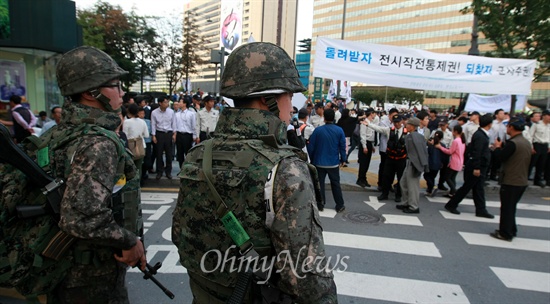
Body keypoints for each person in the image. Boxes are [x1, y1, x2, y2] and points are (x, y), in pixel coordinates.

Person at [172, 42, 337, 303]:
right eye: (289, 96)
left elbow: (179, 232)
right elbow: (305, 276)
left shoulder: (198, 154)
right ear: (267, 100)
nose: (291, 106)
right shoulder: (285, 168)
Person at [49, 46, 145, 302]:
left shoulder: (56, 135)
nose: (122, 92)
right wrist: (129, 240)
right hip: (91, 276)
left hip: (60, 269)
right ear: (91, 92)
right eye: (116, 85)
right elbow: (81, 216)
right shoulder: (98, 143)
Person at [444, 114, 495, 218]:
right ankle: (451, 204)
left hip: (479, 166)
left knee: (478, 189)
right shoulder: (480, 135)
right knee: (467, 187)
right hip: (476, 166)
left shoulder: (481, 134)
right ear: (489, 124)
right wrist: (476, 167)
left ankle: (481, 209)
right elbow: (477, 152)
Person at [490, 117, 532, 241]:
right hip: (521, 179)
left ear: (512, 127)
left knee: (507, 208)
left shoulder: (513, 143)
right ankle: (511, 229)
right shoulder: (525, 142)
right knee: (511, 207)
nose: (507, 129)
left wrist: (497, 147)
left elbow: (500, 158)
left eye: (508, 126)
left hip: (511, 179)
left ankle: (505, 233)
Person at [308, 108, 347, 213]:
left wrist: (312, 158)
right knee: (335, 184)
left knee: (320, 184)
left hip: (319, 162)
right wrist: (343, 159)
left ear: (324, 118)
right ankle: (339, 205)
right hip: (333, 163)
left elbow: (311, 146)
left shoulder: (318, 130)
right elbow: (342, 147)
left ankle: (320, 204)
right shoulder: (339, 130)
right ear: (333, 118)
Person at [365, 113, 407, 202]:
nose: (396, 124)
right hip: (390, 158)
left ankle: (398, 195)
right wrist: (368, 124)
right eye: (395, 122)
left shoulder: (407, 132)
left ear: (401, 121)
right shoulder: (389, 130)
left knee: (400, 177)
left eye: (398, 122)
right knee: (387, 176)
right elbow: (379, 129)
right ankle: (385, 193)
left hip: (401, 159)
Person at [396, 117, 429, 214]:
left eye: (408, 124)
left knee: (412, 186)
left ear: (412, 126)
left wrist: (421, 165)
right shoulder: (412, 135)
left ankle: (414, 206)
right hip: (410, 163)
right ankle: (406, 202)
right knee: (403, 183)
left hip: (414, 164)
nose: (406, 126)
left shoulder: (415, 136)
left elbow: (421, 152)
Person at [436, 125, 466, 198]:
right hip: (460, 161)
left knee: (447, 177)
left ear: (455, 131)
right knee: (452, 178)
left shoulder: (456, 141)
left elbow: (450, 152)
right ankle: (452, 193)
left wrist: (441, 147)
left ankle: (454, 191)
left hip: (454, 161)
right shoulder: (462, 140)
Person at [151, 96, 175, 180]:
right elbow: (153, 124)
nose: (167, 104)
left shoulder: (171, 112)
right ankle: (159, 171)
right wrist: (153, 135)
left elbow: (173, 123)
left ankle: (168, 172)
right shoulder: (154, 112)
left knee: (169, 154)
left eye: (167, 102)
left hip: (168, 133)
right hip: (159, 133)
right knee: (159, 153)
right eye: (165, 102)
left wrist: (174, 134)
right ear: (160, 103)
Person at [123, 103, 149, 178]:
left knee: (129, 168)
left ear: (129, 112)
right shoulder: (142, 122)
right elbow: (147, 135)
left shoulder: (127, 122)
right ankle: (138, 184)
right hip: (141, 146)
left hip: (130, 147)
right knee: (138, 167)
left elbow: (125, 135)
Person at [173, 98, 196, 168]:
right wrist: (174, 134)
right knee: (180, 153)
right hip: (179, 135)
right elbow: (175, 125)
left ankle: (188, 168)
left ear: (185, 104)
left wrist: (194, 135)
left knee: (188, 153)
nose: (179, 103)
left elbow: (194, 125)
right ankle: (181, 168)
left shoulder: (191, 114)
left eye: (180, 102)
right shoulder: (176, 114)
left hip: (188, 135)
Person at [528, 109, 550, 187]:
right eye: (549, 116)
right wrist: (531, 147)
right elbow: (530, 136)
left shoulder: (549, 126)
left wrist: (549, 146)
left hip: (545, 145)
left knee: (541, 164)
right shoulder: (537, 124)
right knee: (532, 163)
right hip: (537, 145)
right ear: (544, 116)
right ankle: (525, 179)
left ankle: (537, 180)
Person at [356, 108, 376, 187]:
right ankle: (360, 179)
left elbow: (372, 135)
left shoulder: (370, 123)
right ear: (371, 113)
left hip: (369, 143)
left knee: (367, 163)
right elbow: (363, 135)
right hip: (365, 143)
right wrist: (364, 146)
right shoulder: (364, 123)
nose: (375, 115)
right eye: (374, 113)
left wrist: (372, 146)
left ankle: (364, 178)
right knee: (363, 163)